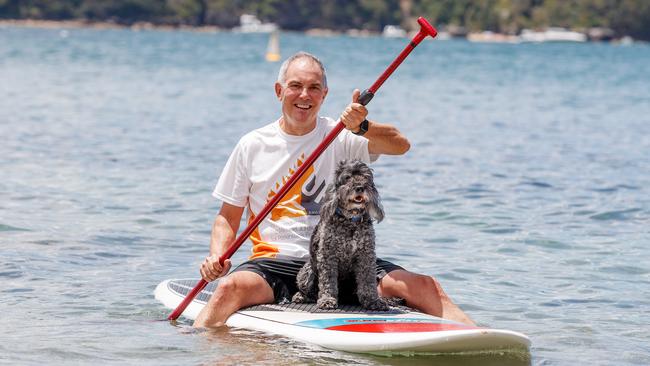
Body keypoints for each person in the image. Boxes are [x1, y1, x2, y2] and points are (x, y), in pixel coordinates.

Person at [193, 51, 474, 328]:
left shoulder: (340, 135)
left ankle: (481, 339)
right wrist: (217, 256)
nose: (305, 95)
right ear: (279, 91)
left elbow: (400, 145)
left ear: (324, 95)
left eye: (314, 88)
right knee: (228, 288)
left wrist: (362, 126)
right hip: (276, 262)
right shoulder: (252, 145)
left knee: (425, 285)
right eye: (296, 86)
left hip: (346, 263)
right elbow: (228, 216)